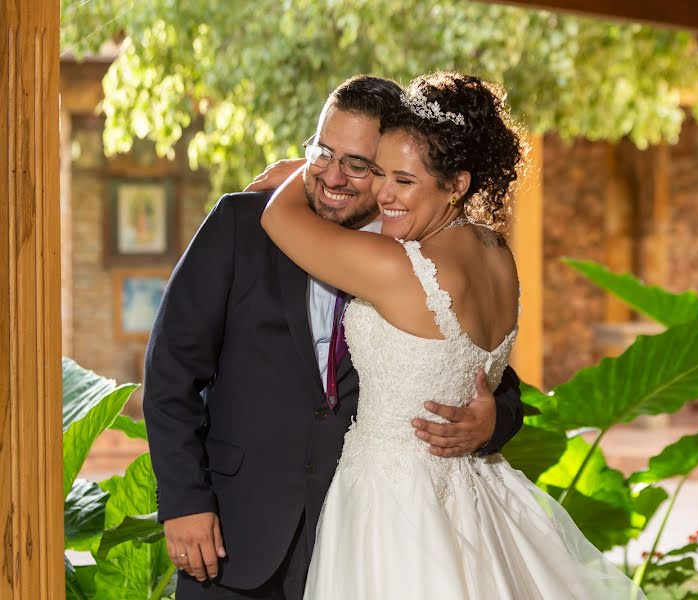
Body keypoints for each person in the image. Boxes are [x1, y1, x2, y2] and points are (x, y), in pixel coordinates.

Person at [261, 71, 646, 599]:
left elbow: (279, 219)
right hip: (476, 493)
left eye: (403, 180)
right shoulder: (495, 252)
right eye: (380, 173)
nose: (382, 194)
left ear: (457, 184)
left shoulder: (400, 269)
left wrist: (309, 166)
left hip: (392, 503)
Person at [142, 75, 525, 599]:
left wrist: (490, 422)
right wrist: (185, 500)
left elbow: (481, 374)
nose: (334, 177)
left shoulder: (415, 255)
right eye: (324, 152)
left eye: (362, 166)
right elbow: (171, 372)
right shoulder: (239, 223)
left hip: (357, 534)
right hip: (234, 527)